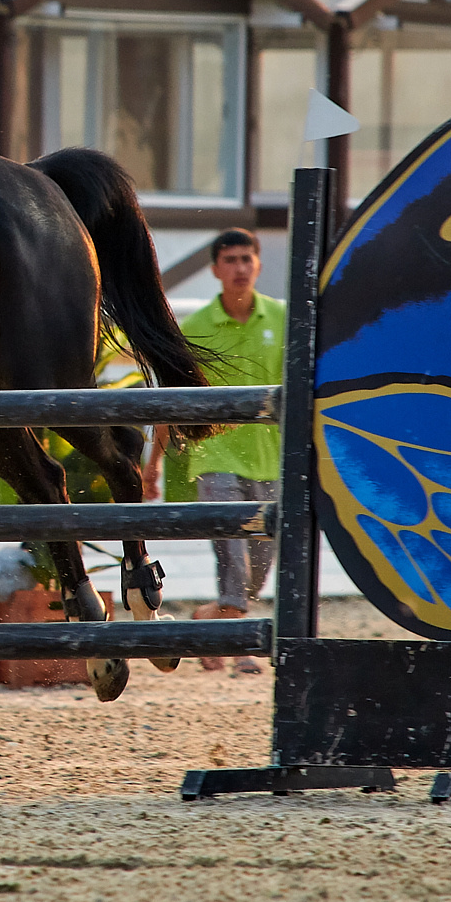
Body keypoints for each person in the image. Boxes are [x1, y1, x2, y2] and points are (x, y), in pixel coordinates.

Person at [143, 228, 285, 674]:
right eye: (231, 260)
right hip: (215, 456)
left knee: (261, 565)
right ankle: (239, 646)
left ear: (258, 264)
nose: (240, 268)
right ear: (215, 269)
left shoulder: (284, 319)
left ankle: (209, 620)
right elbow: (173, 399)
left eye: (247, 258)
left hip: (271, 460)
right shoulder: (198, 327)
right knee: (233, 552)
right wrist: (152, 466)